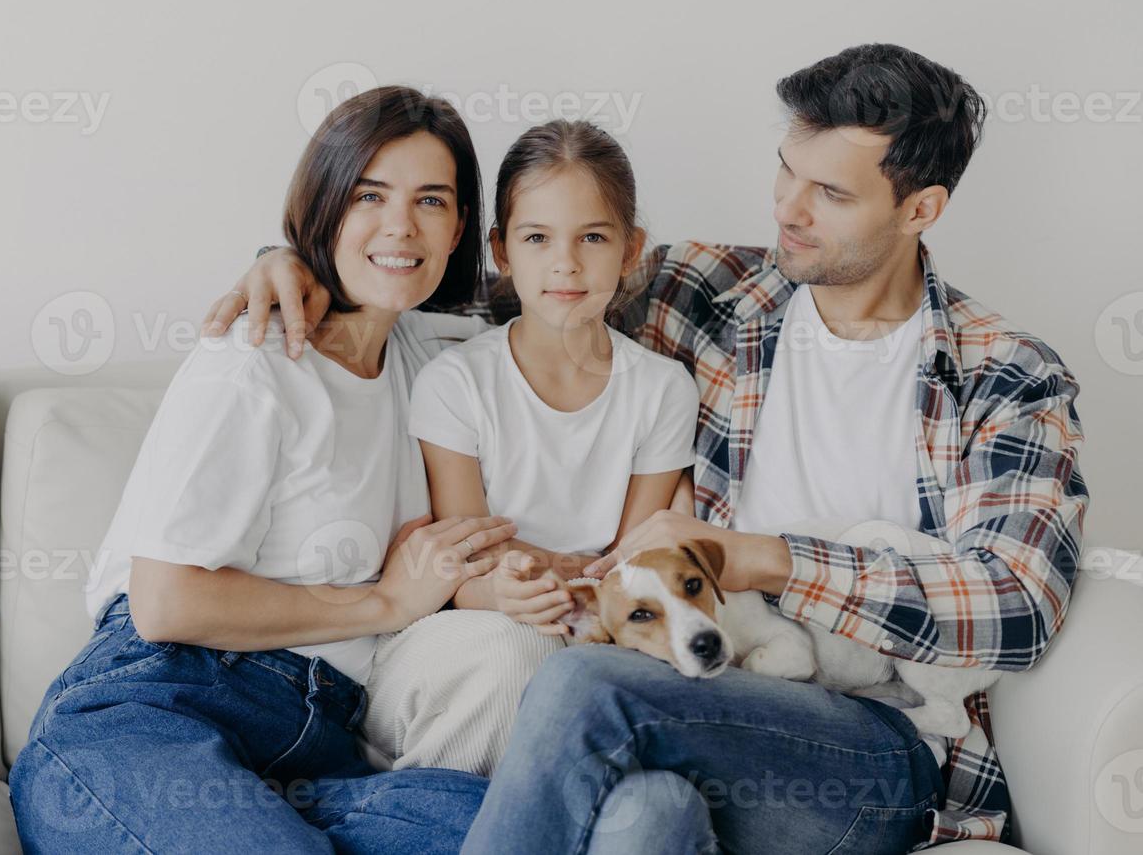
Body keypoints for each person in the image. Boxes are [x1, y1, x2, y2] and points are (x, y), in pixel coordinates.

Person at [206, 44, 1089, 852]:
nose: (789, 210)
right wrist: (298, 265)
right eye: (787, 171)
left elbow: (1015, 604)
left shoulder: (1005, 376)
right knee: (645, 816)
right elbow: (503, 285)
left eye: (832, 194)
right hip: (690, 695)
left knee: (582, 684)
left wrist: (764, 560)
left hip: (869, 745)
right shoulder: (712, 292)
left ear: (920, 209)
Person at [9, 85, 516, 854]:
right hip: (159, 706)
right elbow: (165, 601)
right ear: (322, 206)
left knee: (548, 826)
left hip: (321, 758)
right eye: (367, 194)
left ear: (460, 233)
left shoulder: (430, 356)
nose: (400, 226)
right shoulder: (252, 359)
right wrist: (383, 603)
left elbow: (567, 280)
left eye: (432, 201)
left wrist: (276, 256)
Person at [360, 119, 699, 777]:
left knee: (600, 682)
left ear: (631, 250)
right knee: (516, 656)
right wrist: (511, 587)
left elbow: (633, 561)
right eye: (537, 238)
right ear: (502, 251)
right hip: (469, 623)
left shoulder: (661, 389)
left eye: (592, 238)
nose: (565, 263)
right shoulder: (457, 381)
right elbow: (466, 553)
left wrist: (575, 578)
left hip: (591, 626)